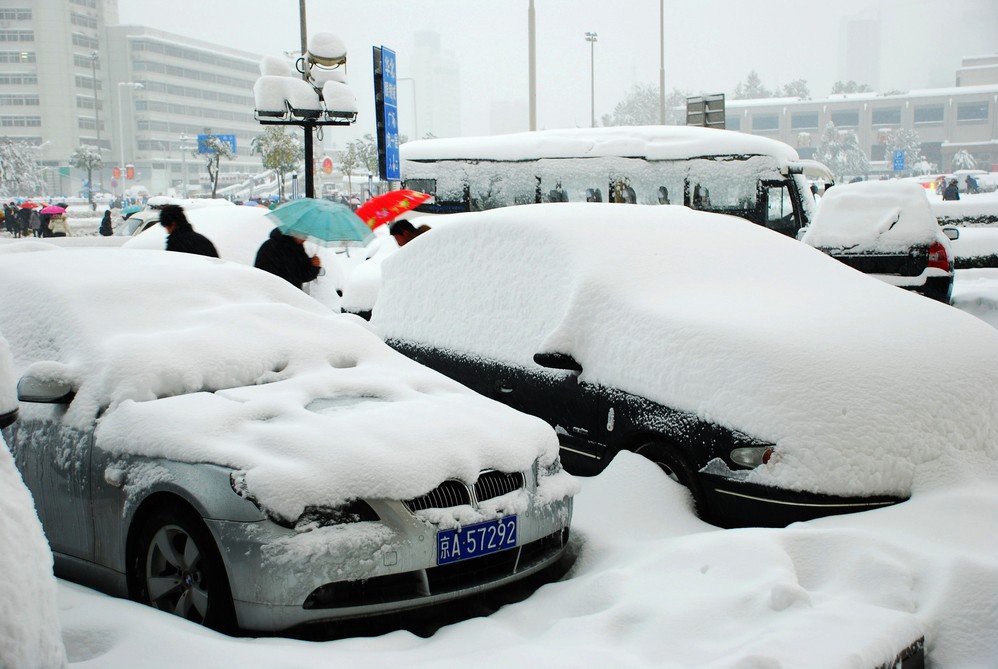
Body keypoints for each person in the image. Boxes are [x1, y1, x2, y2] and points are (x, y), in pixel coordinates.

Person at [253, 228, 321, 290]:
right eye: (303, 235)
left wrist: (313, 266)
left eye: (307, 236)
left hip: (291, 294)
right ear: (294, 232)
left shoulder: (297, 249)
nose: (305, 239)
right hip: (272, 292)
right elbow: (262, 274)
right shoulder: (271, 247)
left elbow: (302, 275)